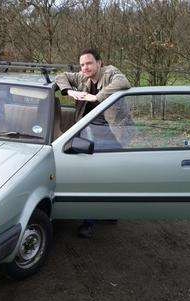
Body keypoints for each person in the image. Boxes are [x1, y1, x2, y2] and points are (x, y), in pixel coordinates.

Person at [56, 48, 131, 238]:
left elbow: (124, 82)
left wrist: (96, 97)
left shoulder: (110, 73)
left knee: (108, 176)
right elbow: (61, 75)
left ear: (100, 63)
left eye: (89, 63)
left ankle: (98, 217)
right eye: (82, 64)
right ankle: (96, 217)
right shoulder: (82, 77)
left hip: (113, 133)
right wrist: (70, 91)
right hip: (89, 131)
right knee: (93, 175)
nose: (85, 67)